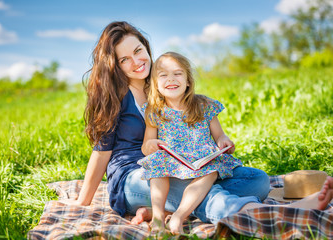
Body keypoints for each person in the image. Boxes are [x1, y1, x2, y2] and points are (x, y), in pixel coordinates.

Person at [59, 21, 333, 233]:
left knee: (256, 180)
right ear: (115, 66)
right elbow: (101, 153)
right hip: (135, 175)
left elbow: (196, 118)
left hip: (182, 166)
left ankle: (166, 208)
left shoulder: (161, 84)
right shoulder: (114, 98)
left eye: (138, 51)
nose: (136, 62)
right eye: (124, 59)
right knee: (208, 193)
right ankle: (287, 213)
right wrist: (84, 201)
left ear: (146, 47)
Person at [136, 52, 242, 234]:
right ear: (155, 84)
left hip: (202, 163)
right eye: (163, 75)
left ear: (188, 81)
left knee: (215, 169)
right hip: (172, 165)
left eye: (177, 73)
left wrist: (225, 142)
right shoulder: (155, 111)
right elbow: (146, 148)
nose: (171, 79)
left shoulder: (204, 105)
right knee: (157, 162)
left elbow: (220, 137)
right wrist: (152, 144)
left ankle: (179, 215)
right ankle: (158, 217)